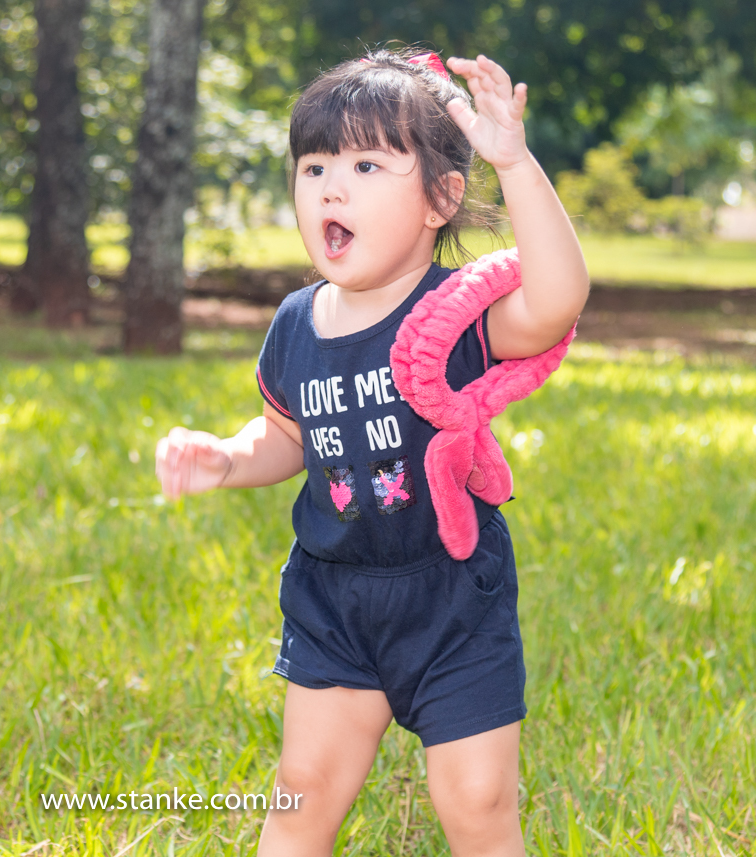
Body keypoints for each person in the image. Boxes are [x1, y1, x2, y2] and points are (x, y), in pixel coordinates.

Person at [154, 49, 589, 856]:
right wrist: (225, 456)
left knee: (477, 799)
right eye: (313, 165)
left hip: (453, 594)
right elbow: (285, 434)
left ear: (440, 199)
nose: (330, 184)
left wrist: (515, 162)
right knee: (302, 794)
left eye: (364, 162)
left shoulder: (453, 314)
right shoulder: (295, 321)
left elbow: (558, 298)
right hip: (335, 598)